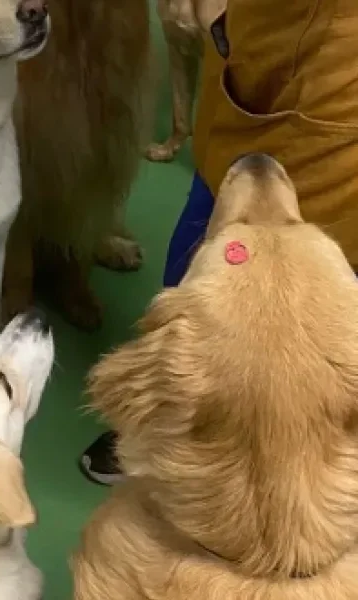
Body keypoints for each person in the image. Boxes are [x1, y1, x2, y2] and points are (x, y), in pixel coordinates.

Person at [79, 0, 358, 485]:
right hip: (252, 69)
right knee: (203, 234)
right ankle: (164, 418)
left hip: (331, 99)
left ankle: (299, 453)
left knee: (325, 310)